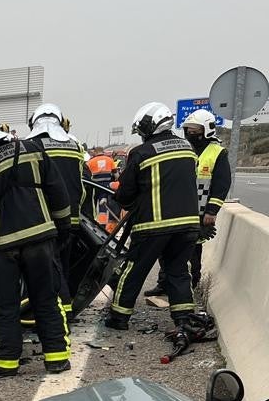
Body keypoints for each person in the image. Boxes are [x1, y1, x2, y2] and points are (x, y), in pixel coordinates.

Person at [0, 106, 71, 377]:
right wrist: (62, 227)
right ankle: (57, 358)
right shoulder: (31, 149)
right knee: (46, 299)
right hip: (40, 239)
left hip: (2, 249)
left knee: (5, 305)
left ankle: (6, 362)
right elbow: (58, 192)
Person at [105, 102, 201, 330]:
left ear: (150, 127)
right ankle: (184, 318)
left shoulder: (142, 153)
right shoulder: (188, 149)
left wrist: (124, 199)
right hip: (188, 224)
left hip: (153, 225)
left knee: (134, 270)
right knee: (178, 270)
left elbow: (126, 193)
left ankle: (119, 317)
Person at [143, 108, 231, 294]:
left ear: (206, 129)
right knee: (166, 249)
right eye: (188, 129)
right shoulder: (183, 147)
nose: (190, 132)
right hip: (179, 208)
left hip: (199, 211)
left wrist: (211, 211)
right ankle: (164, 283)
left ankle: (190, 286)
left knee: (191, 252)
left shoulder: (217, 152)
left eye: (195, 129)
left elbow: (222, 184)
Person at [26, 103, 85, 315]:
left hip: (44, 220)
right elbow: (81, 185)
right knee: (63, 267)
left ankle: (59, 313)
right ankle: (63, 309)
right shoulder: (75, 146)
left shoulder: (30, 145)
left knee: (49, 269)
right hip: (72, 218)